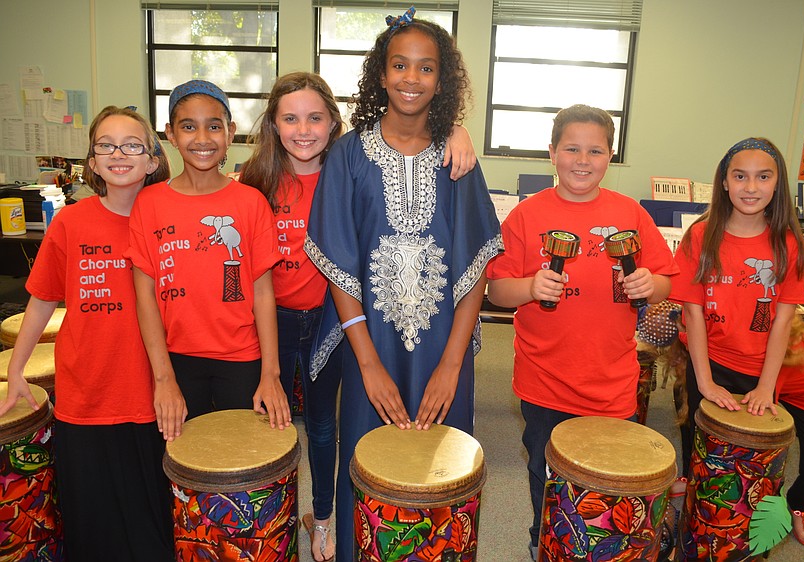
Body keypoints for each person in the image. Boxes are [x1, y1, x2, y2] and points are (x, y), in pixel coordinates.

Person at [238, 71, 478, 562]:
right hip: (271, 321)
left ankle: (323, 520)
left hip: (329, 317)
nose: (303, 129)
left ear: (333, 123)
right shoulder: (255, 181)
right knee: (268, 425)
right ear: (274, 124)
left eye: (315, 118)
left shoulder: (346, 161)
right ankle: (264, 533)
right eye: (289, 118)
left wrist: (455, 126)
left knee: (326, 427)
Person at [303, 13, 501, 561]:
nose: (411, 77)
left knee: (444, 465)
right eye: (399, 64)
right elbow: (340, 267)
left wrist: (452, 366)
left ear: (443, 80)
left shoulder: (458, 160)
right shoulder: (347, 156)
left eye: (426, 67)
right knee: (366, 460)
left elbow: (476, 267)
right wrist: (365, 363)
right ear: (381, 74)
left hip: (445, 348)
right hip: (371, 345)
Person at [486, 104, 678, 560]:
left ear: (610, 156)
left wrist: (652, 284)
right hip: (544, 379)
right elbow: (496, 290)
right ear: (551, 153)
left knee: (608, 477)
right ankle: (542, 540)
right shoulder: (527, 216)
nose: (582, 159)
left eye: (595, 150)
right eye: (571, 148)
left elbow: (667, 279)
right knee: (544, 469)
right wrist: (531, 286)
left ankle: (596, 547)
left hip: (611, 379)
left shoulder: (630, 213)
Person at [0, 106, 173, 559]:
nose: (119, 154)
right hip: (84, 395)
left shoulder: (164, 222)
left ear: (152, 159)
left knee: (150, 522)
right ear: (92, 162)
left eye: (132, 145)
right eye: (106, 145)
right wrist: (17, 370)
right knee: (91, 523)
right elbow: (41, 299)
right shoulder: (70, 223)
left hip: (150, 397)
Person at [670, 137, 804, 548]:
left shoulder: (788, 244)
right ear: (725, 183)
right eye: (740, 176)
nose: (751, 186)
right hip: (716, 361)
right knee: (705, 449)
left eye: (763, 176)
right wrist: (705, 383)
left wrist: (767, 387)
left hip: (791, 372)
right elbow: (692, 313)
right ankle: (692, 510)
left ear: (777, 184)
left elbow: (783, 322)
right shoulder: (701, 236)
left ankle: (797, 506)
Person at [126, 80, 290, 443]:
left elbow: (264, 295)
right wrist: (164, 379)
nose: (202, 137)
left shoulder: (250, 204)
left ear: (230, 132)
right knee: (184, 461)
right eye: (188, 126)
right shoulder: (149, 204)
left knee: (243, 457)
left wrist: (270, 374)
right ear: (170, 134)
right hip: (177, 359)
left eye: (214, 126)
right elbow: (145, 297)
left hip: (242, 358)